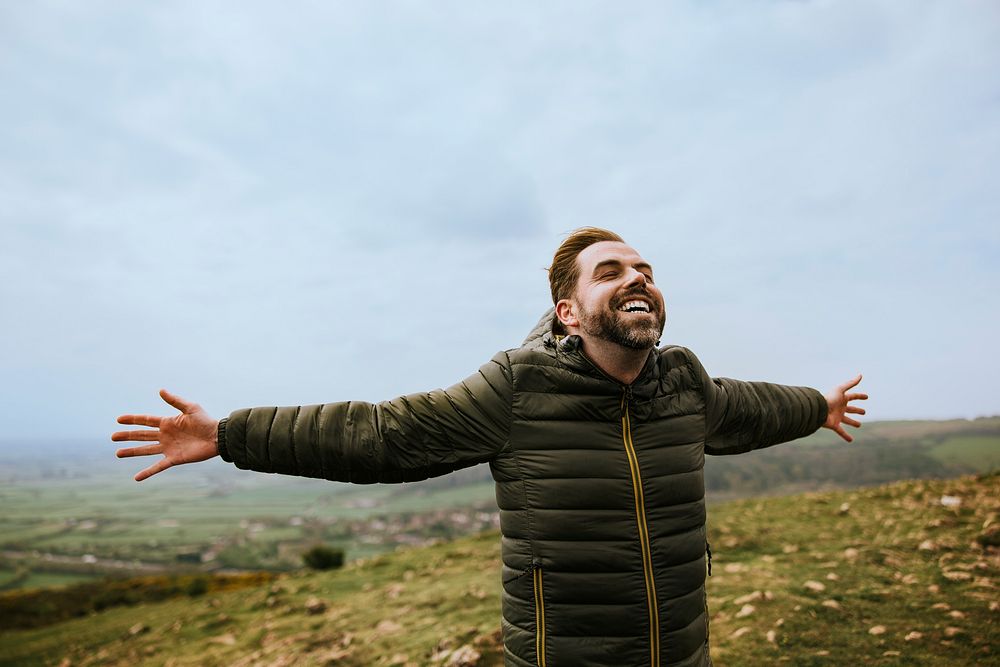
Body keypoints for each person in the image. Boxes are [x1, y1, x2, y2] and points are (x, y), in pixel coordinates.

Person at [113, 227, 866, 667]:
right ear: (568, 312)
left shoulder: (685, 383)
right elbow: (383, 435)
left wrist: (820, 406)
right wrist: (228, 435)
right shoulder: (517, 387)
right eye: (613, 272)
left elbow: (758, 408)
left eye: (645, 270)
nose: (638, 277)